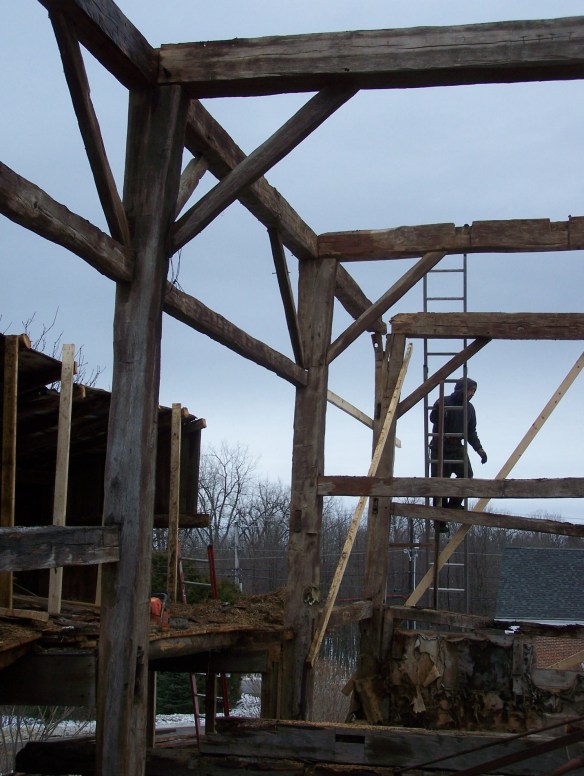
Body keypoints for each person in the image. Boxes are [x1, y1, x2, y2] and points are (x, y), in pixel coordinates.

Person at [429, 377, 487, 510]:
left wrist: (480, 450)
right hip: (440, 446)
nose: (472, 394)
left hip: (456, 447)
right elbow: (433, 419)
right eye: (470, 390)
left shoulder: (470, 409)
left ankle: (453, 504)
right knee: (439, 483)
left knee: (467, 475)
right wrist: (438, 409)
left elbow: (471, 432)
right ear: (462, 389)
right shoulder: (444, 401)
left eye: (474, 391)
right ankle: (440, 520)